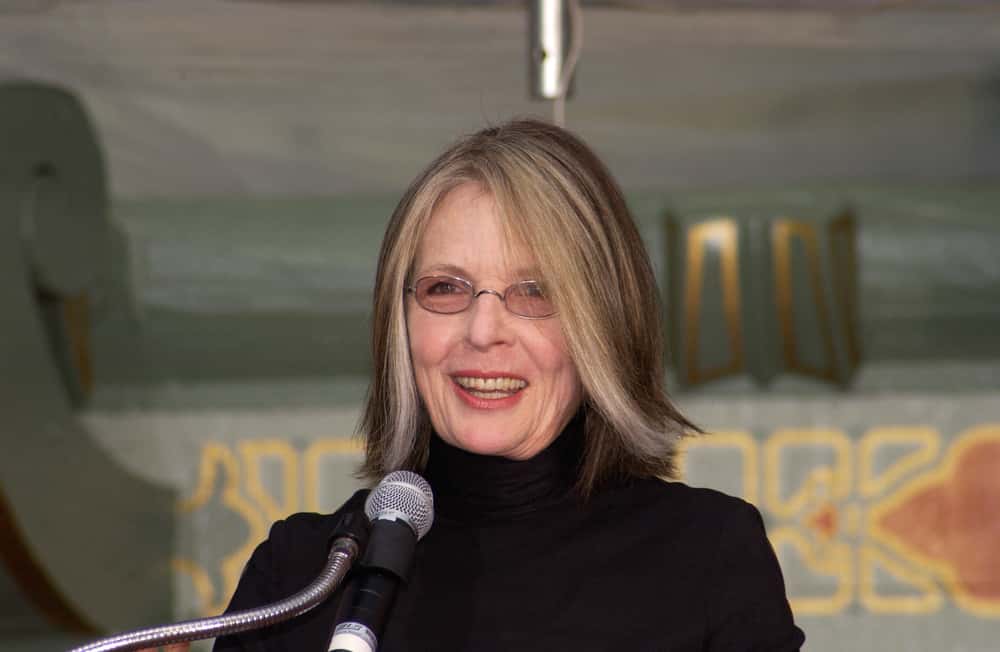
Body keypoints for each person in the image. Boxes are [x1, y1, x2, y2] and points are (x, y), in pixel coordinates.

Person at [213, 119, 805, 651]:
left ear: (602, 323)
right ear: (399, 321)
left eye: (535, 291)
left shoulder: (705, 555)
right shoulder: (303, 577)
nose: (483, 330)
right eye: (445, 288)